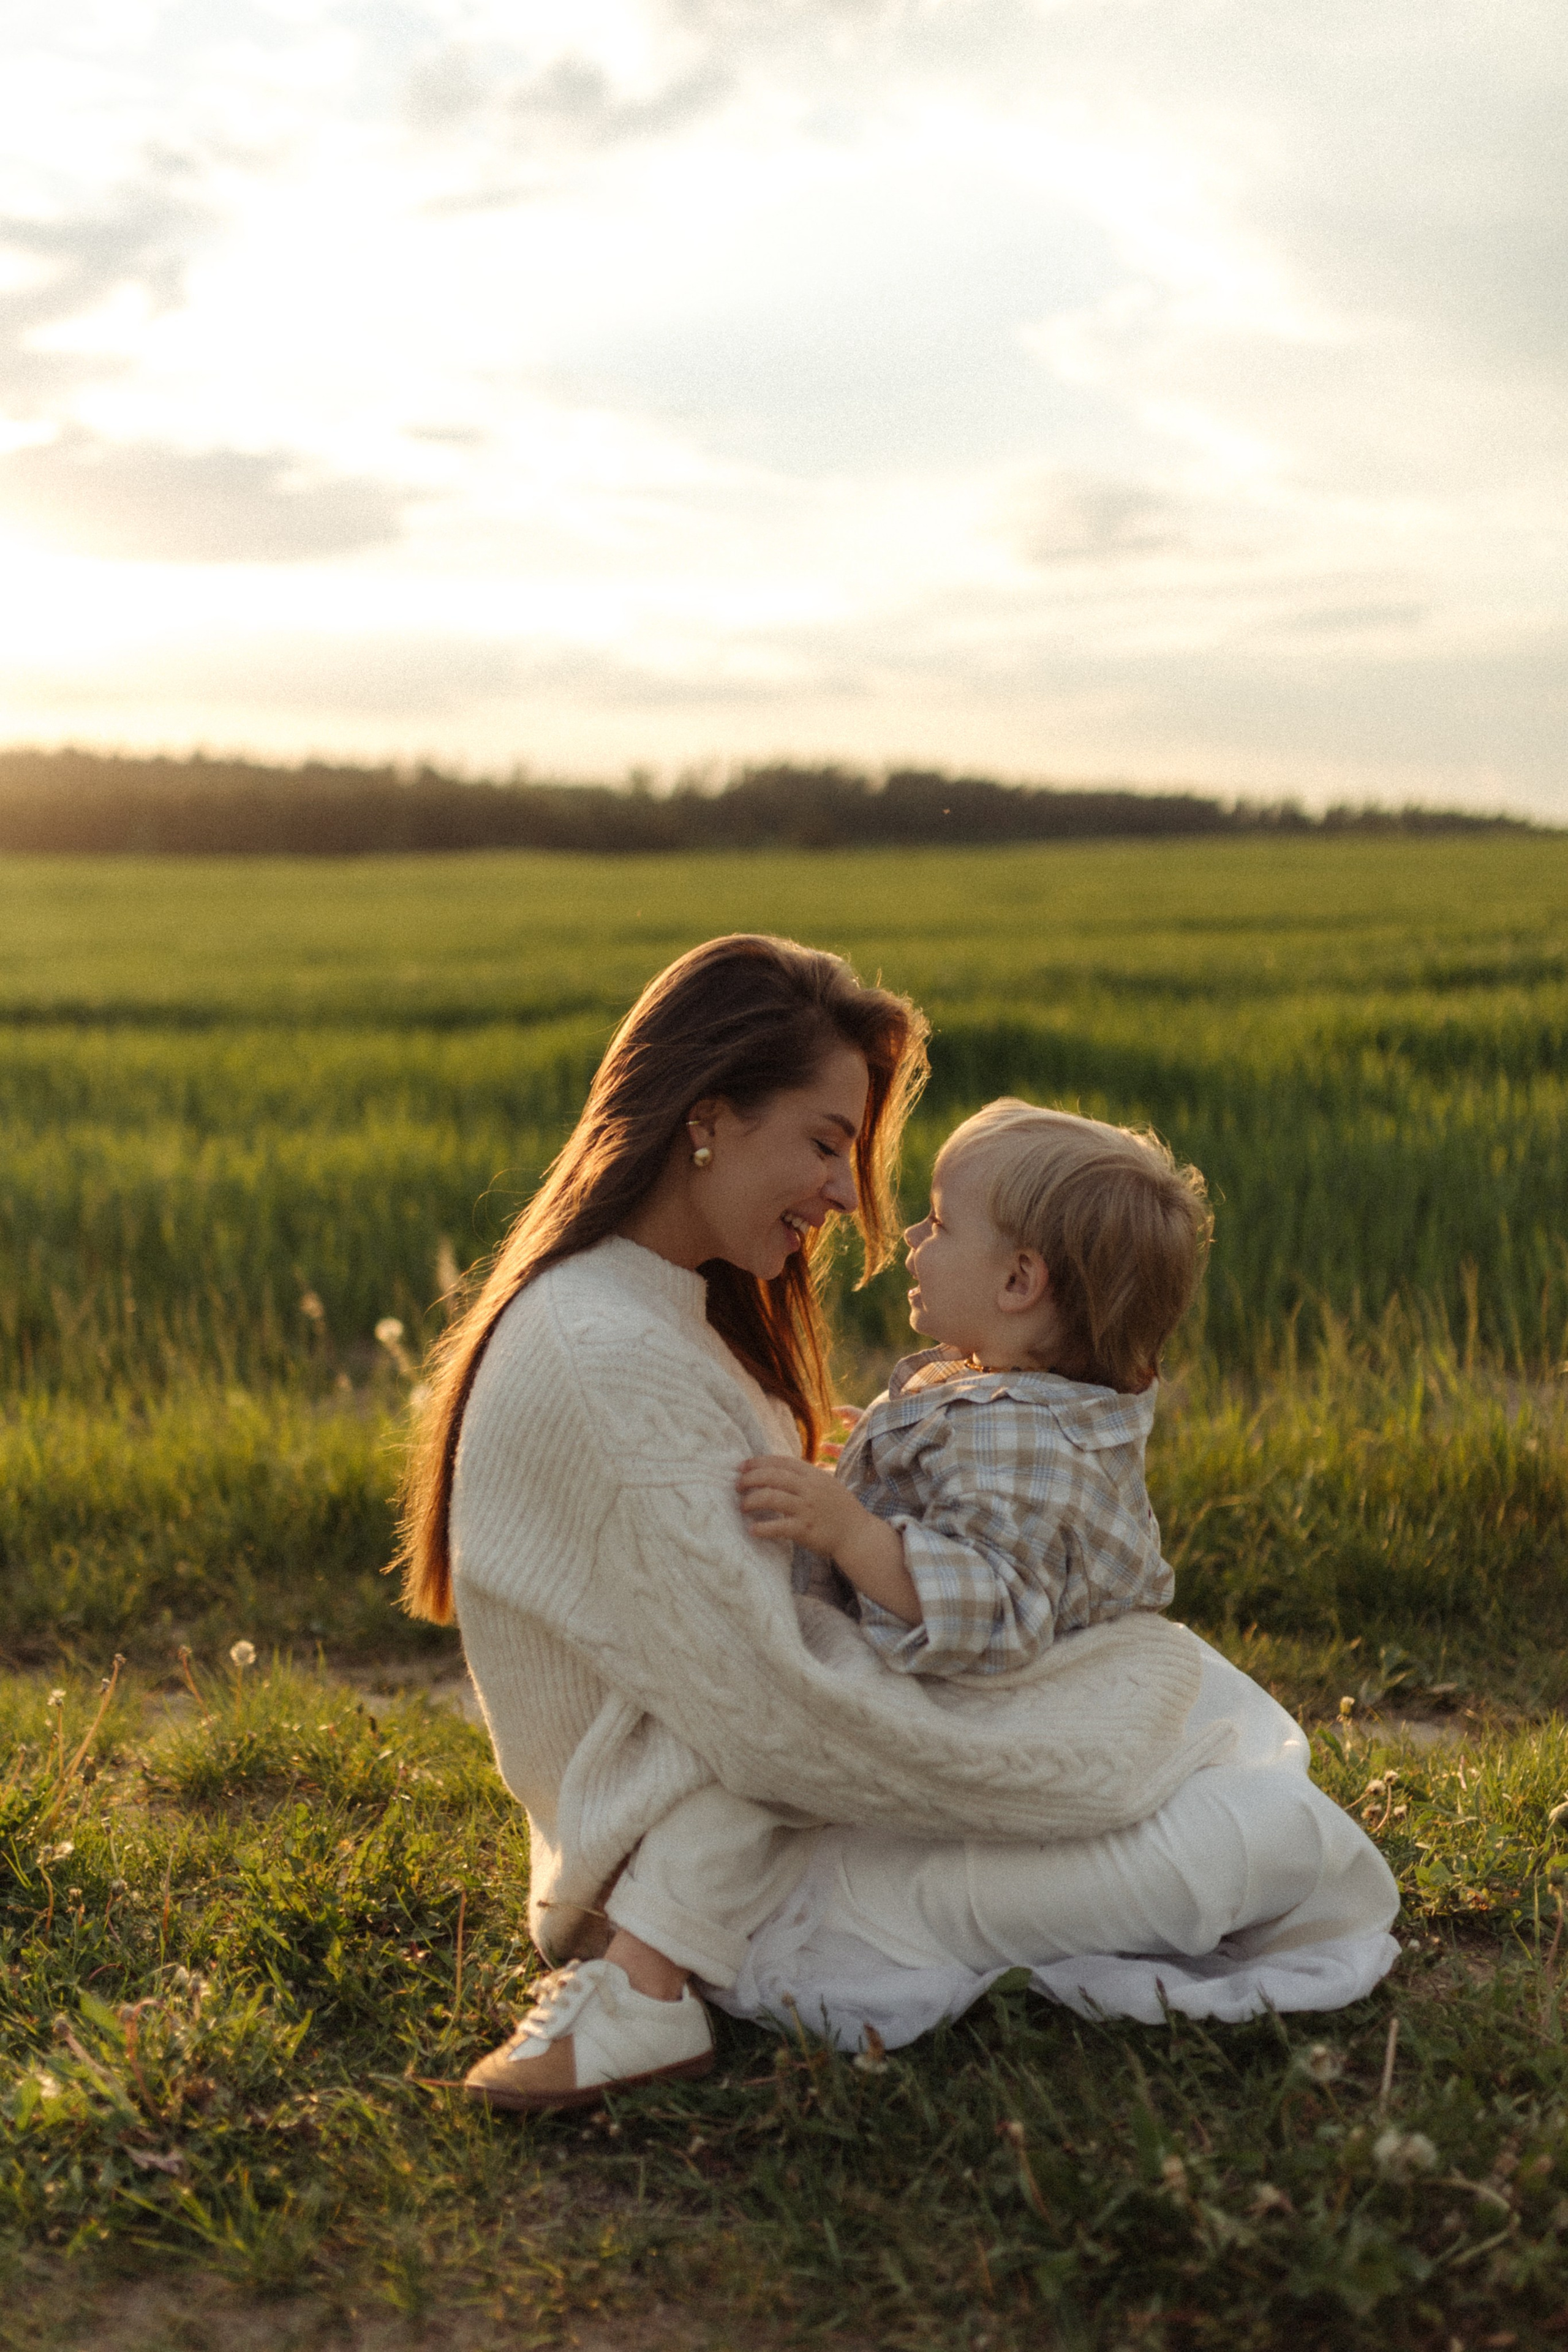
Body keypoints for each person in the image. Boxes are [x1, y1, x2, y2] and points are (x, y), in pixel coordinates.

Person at [398, 935, 1395, 2115]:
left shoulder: (656, 1308)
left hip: (782, 1817)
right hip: (749, 1880)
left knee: (1222, 1749)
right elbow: (774, 1721)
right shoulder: (599, 1349)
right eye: (827, 1143)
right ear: (708, 1118)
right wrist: (1078, 1750)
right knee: (1271, 1836)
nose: (849, 1196)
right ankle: (643, 1988)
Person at [735, 1098, 1210, 1679]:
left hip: (985, 1705)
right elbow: (970, 1496)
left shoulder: (1023, 1447)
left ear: (1017, 1281)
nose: (912, 1234)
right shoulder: (1012, 1405)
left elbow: (982, 1606)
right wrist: (891, 1464)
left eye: (938, 1224)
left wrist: (851, 1531)